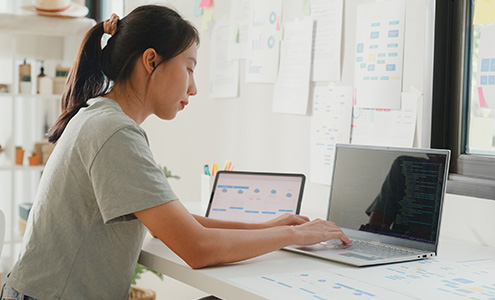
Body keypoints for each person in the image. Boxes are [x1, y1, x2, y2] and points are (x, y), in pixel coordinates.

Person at [1, 5, 350, 300]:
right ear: (151, 61)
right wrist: (296, 235)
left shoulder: (101, 117)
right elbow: (196, 248)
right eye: (190, 68)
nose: (194, 88)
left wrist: (262, 227)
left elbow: (175, 223)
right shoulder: (113, 131)